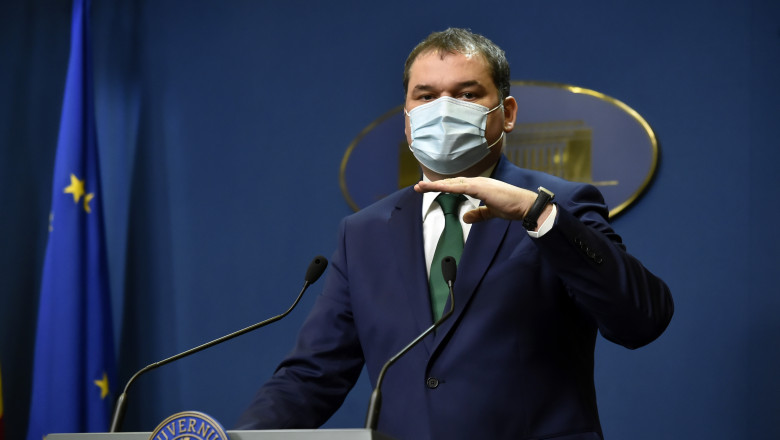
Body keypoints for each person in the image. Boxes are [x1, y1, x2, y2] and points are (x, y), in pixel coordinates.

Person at [236, 28, 673, 440]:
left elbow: (641, 319)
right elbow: (312, 376)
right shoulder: (364, 233)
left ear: (507, 113)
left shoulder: (559, 205)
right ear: (407, 120)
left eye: (467, 94)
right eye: (426, 96)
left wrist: (537, 214)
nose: (443, 110)